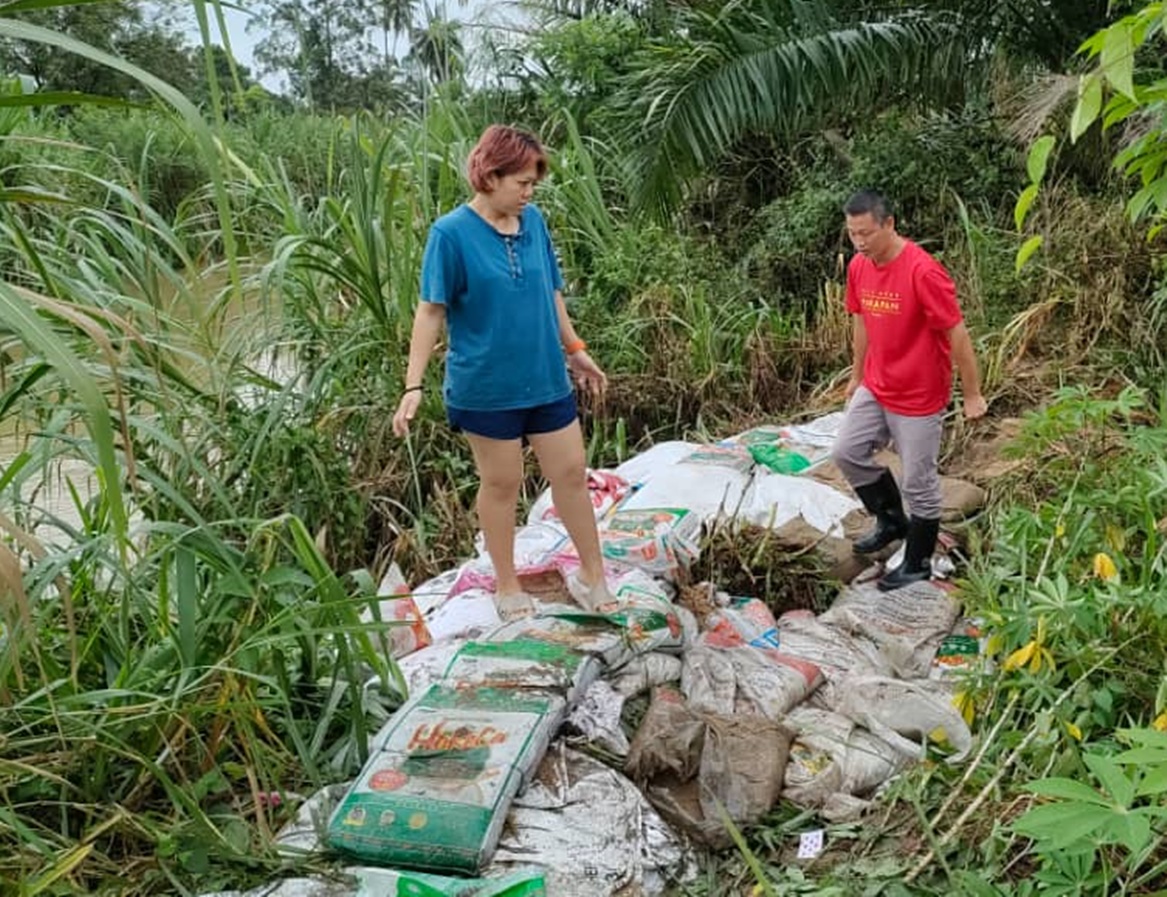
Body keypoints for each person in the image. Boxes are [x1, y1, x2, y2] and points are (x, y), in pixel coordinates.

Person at [392, 124, 618, 621]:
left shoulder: (533, 222)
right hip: (486, 389)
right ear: (489, 176)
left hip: (545, 377)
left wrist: (575, 348)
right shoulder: (450, 235)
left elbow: (551, 292)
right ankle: (508, 585)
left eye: (533, 183)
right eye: (521, 182)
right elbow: (431, 311)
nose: (529, 192)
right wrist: (413, 384)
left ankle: (594, 575)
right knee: (502, 483)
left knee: (571, 474)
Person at [831, 190, 988, 592]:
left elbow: (956, 333)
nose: (860, 242)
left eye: (866, 233)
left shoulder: (922, 271)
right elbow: (861, 322)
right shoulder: (859, 267)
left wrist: (972, 393)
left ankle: (917, 561)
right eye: (852, 234)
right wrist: (856, 375)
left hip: (918, 395)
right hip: (878, 385)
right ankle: (890, 520)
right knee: (847, 451)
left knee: (919, 481)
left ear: (889, 224)